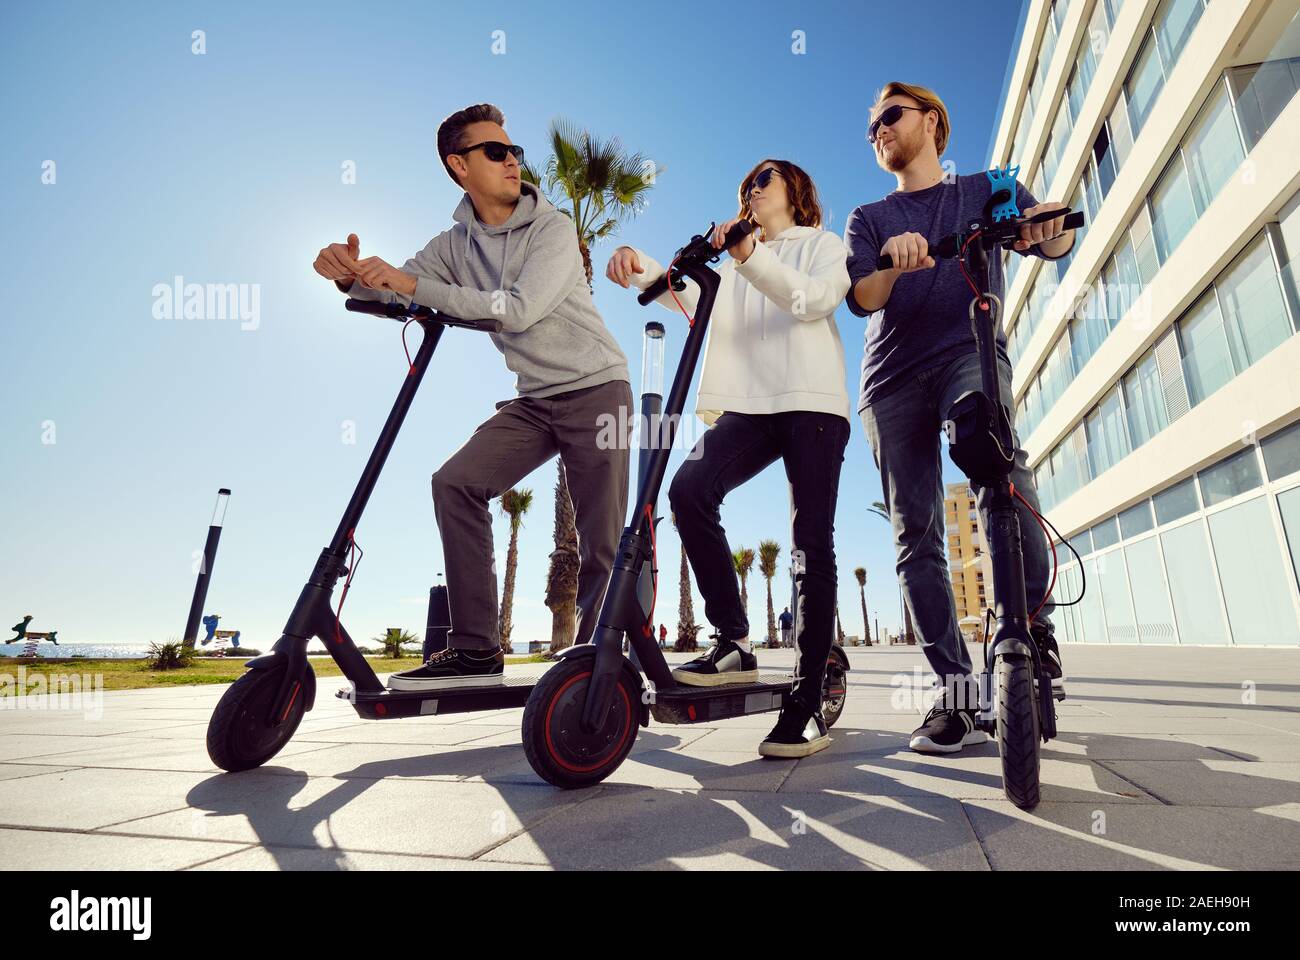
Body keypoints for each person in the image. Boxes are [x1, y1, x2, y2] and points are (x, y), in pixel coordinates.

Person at [314, 103, 633, 690]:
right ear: (459, 166)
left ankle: (603, 671)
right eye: (495, 151)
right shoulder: (454, 246)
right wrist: (346, 274)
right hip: (535, 400)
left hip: (597, 391)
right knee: (455, 483)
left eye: (515, 151)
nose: (513, 160)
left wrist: (409, 282)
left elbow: (516, 310)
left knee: (602, 542)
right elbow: (394, 291)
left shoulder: (554, 229)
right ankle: (476, 650)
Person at [843, 82, 1073, 754]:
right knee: (915, 534)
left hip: (968, 350)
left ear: (931, 120)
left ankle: (1033, 624)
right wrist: (894, 263)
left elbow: (1047, 241)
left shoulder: (986, 187)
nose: (878, 130)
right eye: (871, 125)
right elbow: (862, 294)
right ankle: (960, 693)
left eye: (889, 115)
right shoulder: (869, 215)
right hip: (890, 382)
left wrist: (1050, 227)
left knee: (993, 455)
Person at [608, 159, 851, 759]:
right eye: (745, 184)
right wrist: (642, 267)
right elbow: (691, 295)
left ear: (796, 191)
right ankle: (735, 640)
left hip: (814, 405)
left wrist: (746, 252)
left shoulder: (822, 245)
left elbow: (812, 301)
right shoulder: (740, 263)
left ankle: (809, 692)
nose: (751, 188)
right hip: (751, 409)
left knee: (810, 543)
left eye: (764, 178)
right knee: (689, 491)